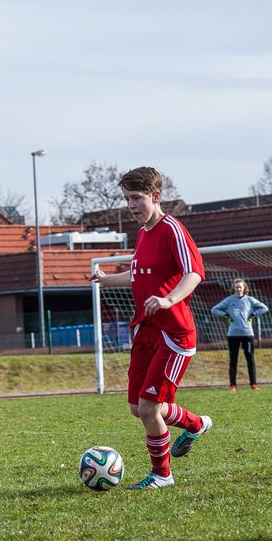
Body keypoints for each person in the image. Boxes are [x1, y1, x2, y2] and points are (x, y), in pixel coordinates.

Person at [91, 166, 211, 490]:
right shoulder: (143, 234)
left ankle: (162, 475)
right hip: (146, 331)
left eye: (136, 198)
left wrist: (168, 299)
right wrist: (106, 281)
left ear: (155, 197)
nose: (131, 206)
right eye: (127, 199)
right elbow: (137, 274)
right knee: (138, 408)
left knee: (148, 408)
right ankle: (196, 424)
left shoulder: (172, 229)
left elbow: (194, 273)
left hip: (174, 334)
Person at [211, 278, 269, 390]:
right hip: (233, 335)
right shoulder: (229, 300)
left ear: (244, 288)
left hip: (247, 334)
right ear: (233, 288)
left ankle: (253, 384)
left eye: (240, 287)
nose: (238, 289)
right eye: (236, 287)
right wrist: (226, 315)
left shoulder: (250, 300)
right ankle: (233, 385)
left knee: (250, 359)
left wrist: (254, 314)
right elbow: (214, 309)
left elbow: (264, 308)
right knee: (233, 360)